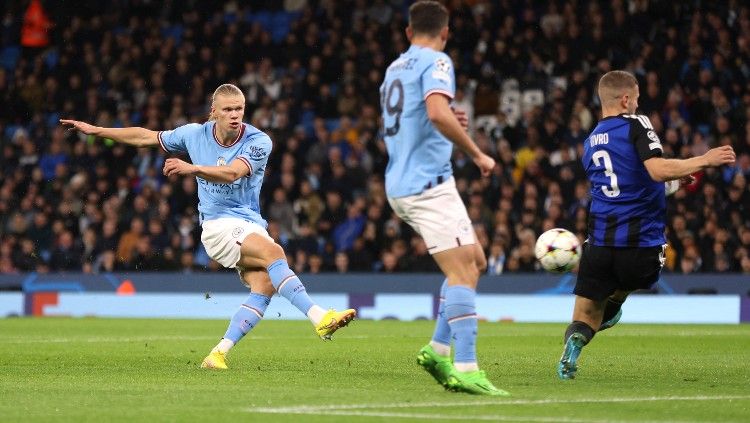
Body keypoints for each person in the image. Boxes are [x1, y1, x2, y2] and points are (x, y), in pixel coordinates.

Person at [61, 84, 355, 370]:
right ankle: (319, 317)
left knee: (264, 285)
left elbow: (232, 173)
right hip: (217, 226)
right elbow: (145, 137)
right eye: (228, 109)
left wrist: (192, 168)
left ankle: (217, 354)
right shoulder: (194, 134)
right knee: (274, 253)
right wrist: (97, 130)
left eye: (239, 108)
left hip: (249, 223)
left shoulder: (258, 140)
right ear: (213, 112)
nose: (235, 114)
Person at [557, 70, 736, 379]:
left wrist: (675, 182)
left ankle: (575, 341)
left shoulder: (589, 142)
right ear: (626, 100)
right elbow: (654, 170)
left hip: (599, 243)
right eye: (637, 99)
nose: (638, 105)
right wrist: (702, 160)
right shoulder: (637, 124)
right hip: (640, 242)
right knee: (623, 289)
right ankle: (614, 303)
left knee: (584, 317)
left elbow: (628, 183)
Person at [380, 1, 508, 396]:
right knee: (463, 272)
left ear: (407, 32)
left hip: (403, 180)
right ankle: (466, 366)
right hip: (428, 185)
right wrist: (478, 153)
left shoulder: (394, 69)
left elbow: (417, 119)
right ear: (445, 32)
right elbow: (436, 113)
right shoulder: (437, 61)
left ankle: (437, 348)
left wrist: (448, 120)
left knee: (476, 261)